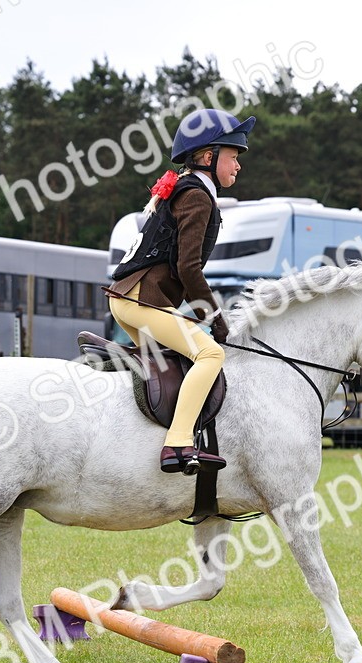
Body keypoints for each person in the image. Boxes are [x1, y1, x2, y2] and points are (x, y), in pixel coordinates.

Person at [107, 108, 255, 474]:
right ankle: (177, 443)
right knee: (210, 355)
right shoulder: (197, 196)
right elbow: (187, 268)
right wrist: (215, 320)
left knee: (174, 361)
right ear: (209, 157)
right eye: (233, 156)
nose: (238, 166)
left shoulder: (188, 189)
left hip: (129, 298)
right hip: (141, 300)